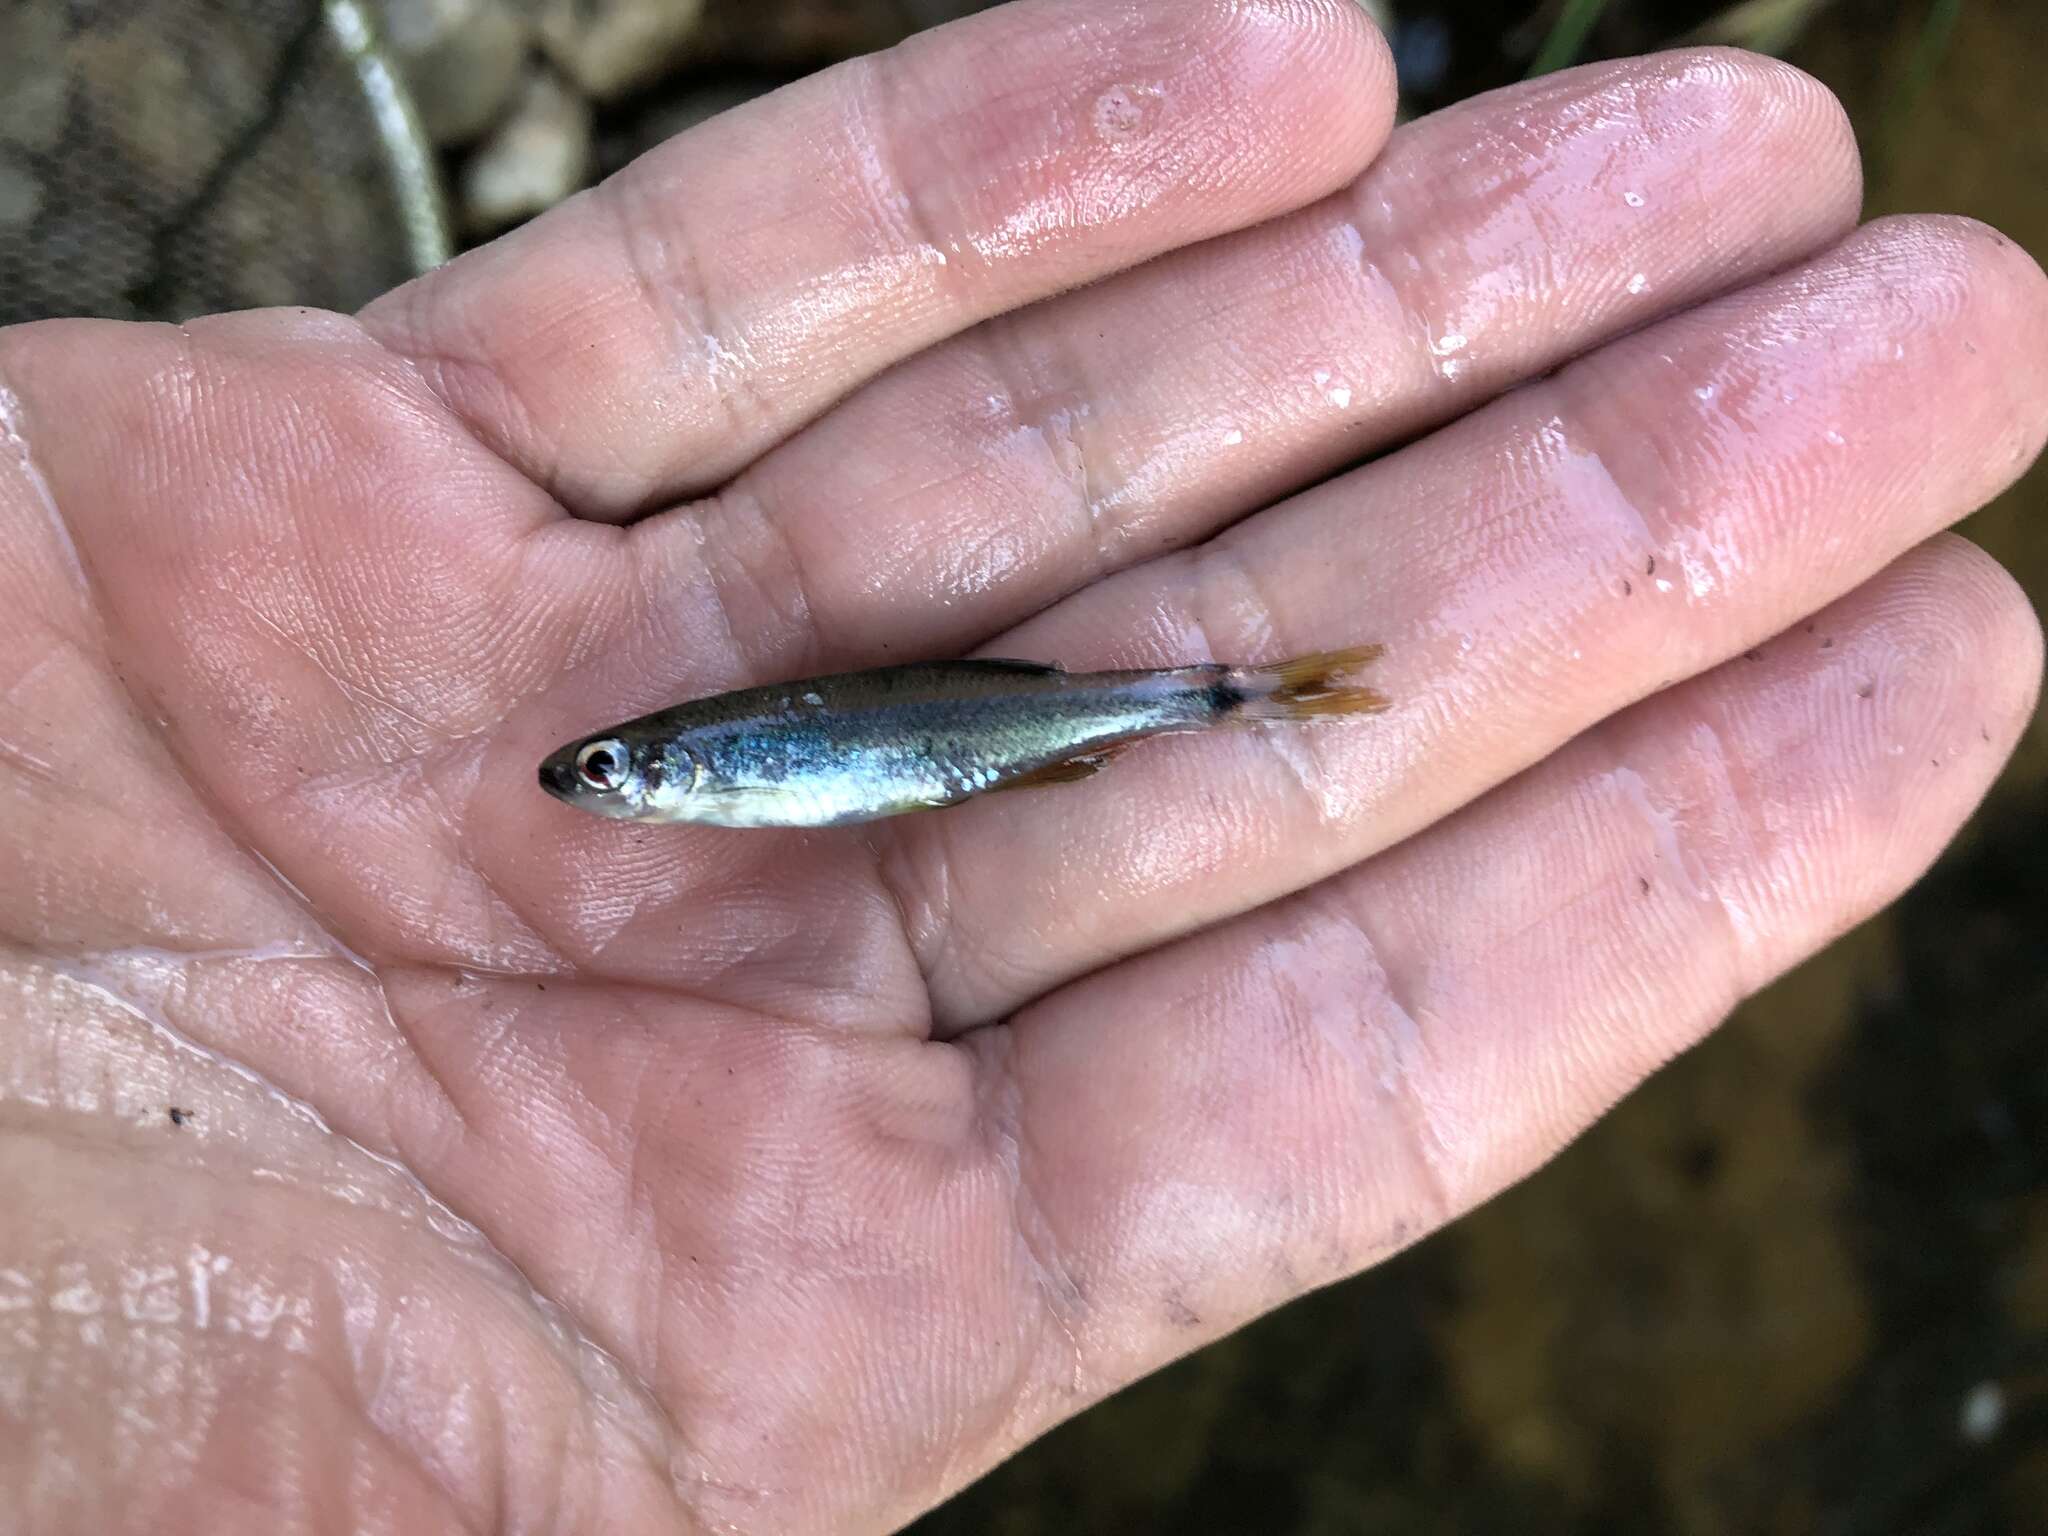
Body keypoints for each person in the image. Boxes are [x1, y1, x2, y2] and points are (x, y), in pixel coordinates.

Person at [1, 1, 2042, 1529]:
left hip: (1005, 731)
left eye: (627, 771)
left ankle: (1238, 702)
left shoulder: (737, 763)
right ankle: (1238, 706)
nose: (627, 785)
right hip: (996, 741)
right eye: (631, 778)